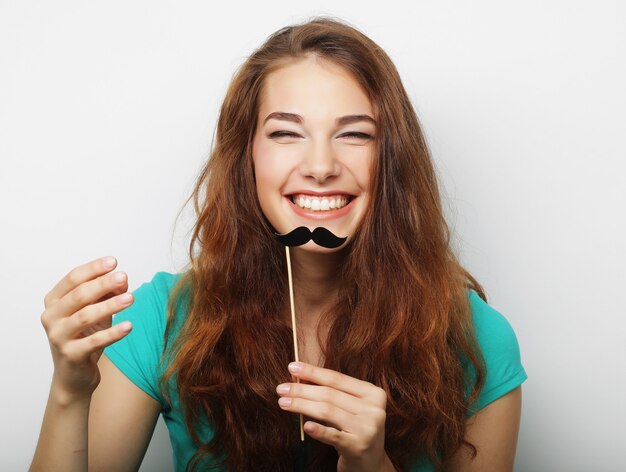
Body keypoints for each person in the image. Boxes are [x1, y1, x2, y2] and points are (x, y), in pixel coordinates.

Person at [30, 16, 528, 472]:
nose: (319, 165)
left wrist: (372, 465)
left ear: (393, 159)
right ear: (246, 154)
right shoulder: (161, 320)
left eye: (355, 135)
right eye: (286, 133)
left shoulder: (478, 340)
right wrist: (71, 393)